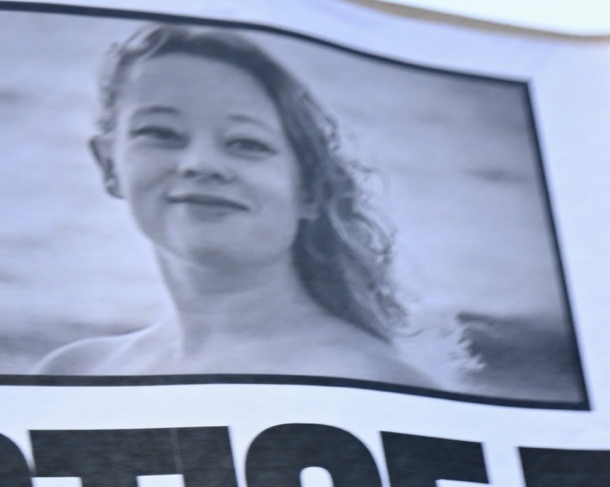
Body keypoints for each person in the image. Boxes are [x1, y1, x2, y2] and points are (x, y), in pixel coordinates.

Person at [42, 24, 426, 385]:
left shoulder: (373, 379)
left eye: (246, 143)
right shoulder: (73, 373)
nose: (200, 164)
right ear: (109, 164)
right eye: (161, 133)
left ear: (309, 189)